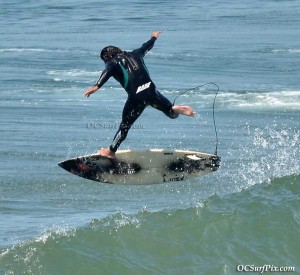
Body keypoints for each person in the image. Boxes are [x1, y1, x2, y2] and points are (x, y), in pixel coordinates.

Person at [84, 31, 196, 159]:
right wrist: (153, 37)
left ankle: (111, 151)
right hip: (151, 90)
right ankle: (174, 109)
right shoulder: (136, 53)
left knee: (125, 125)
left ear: (107, 57)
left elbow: (107, 72)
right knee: (171, 112)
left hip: (136, 97)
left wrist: (96, 86)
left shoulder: (112, 62)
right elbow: (146, 46)